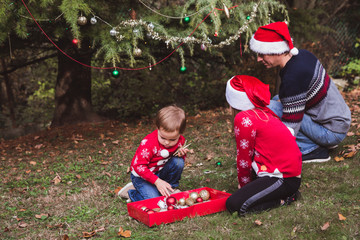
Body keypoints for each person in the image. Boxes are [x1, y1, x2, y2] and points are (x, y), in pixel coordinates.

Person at [249, 21, 351, 163]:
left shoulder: (293, 76)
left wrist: (276, 148)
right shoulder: (303, 56)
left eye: (262, 54)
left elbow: (291, 126)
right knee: (278, 99)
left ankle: (312, 149)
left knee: (269, 106)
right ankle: (317, 141)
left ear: (277, 50)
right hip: (338, 121)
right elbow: (292, 95)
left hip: (331, 132)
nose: (259, 59)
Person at [225, 75, 302, 215]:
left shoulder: (243, 118)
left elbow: (244, 159)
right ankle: (279, 194)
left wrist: (244, 186)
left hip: (282, 177)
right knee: (239, 199)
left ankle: (284, 199)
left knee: (235, 206)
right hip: (278, 173)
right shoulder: (263, 112)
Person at [118, 105, 189, 202]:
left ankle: (170, 188)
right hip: (142, 177)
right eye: (163, 138)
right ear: (158, 128)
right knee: (155, 200)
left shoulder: (180, 141)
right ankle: (131, 193)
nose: (167, 142)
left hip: (159, 171)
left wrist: (181, 155)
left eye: (172, 139)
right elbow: (138, 166)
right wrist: (157, 181)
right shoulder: (149, 144)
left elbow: (175, 161)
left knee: (178, 162)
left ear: (180, 133)